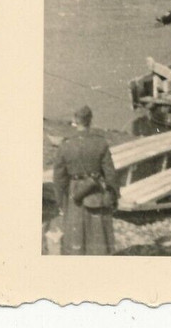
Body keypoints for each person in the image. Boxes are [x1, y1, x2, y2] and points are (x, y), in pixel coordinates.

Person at [52, 106, 118, 255]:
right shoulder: (100, 143)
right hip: (96, 191)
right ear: (90, 120)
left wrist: (61, 201)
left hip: (74, 192)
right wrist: (113, 196)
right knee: (98, 234)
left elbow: (59, 178)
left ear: (75, 121)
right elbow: (111, 174)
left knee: (75, 235)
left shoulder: (66, 145)